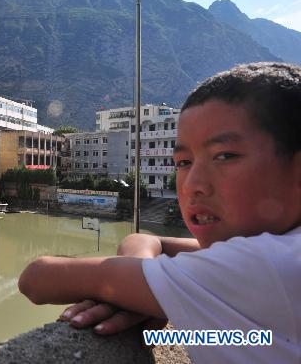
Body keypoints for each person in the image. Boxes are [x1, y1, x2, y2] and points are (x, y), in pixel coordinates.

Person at [18, 62, 301, 363]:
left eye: (225, 156)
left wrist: (130, 287)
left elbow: (37, 278)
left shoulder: (269, 265)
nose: (193, 185)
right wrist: (139, 283)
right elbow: (147, 239)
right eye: (183, 162)